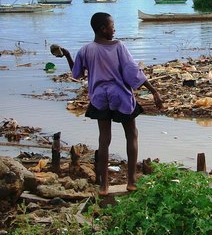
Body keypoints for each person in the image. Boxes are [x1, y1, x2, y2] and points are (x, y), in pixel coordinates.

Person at [54, 12, 163, 196]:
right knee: (132, 135)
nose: (114, 29)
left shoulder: (86, 50)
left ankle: (104, 186)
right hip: (120, 97)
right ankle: (131, 182)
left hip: (99, 98)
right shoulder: (118, 47)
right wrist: (153, 91)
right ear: (103, 29)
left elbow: (76, 73)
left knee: (104, 140)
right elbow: (133, 72)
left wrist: (66, 54)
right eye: (112, 26)